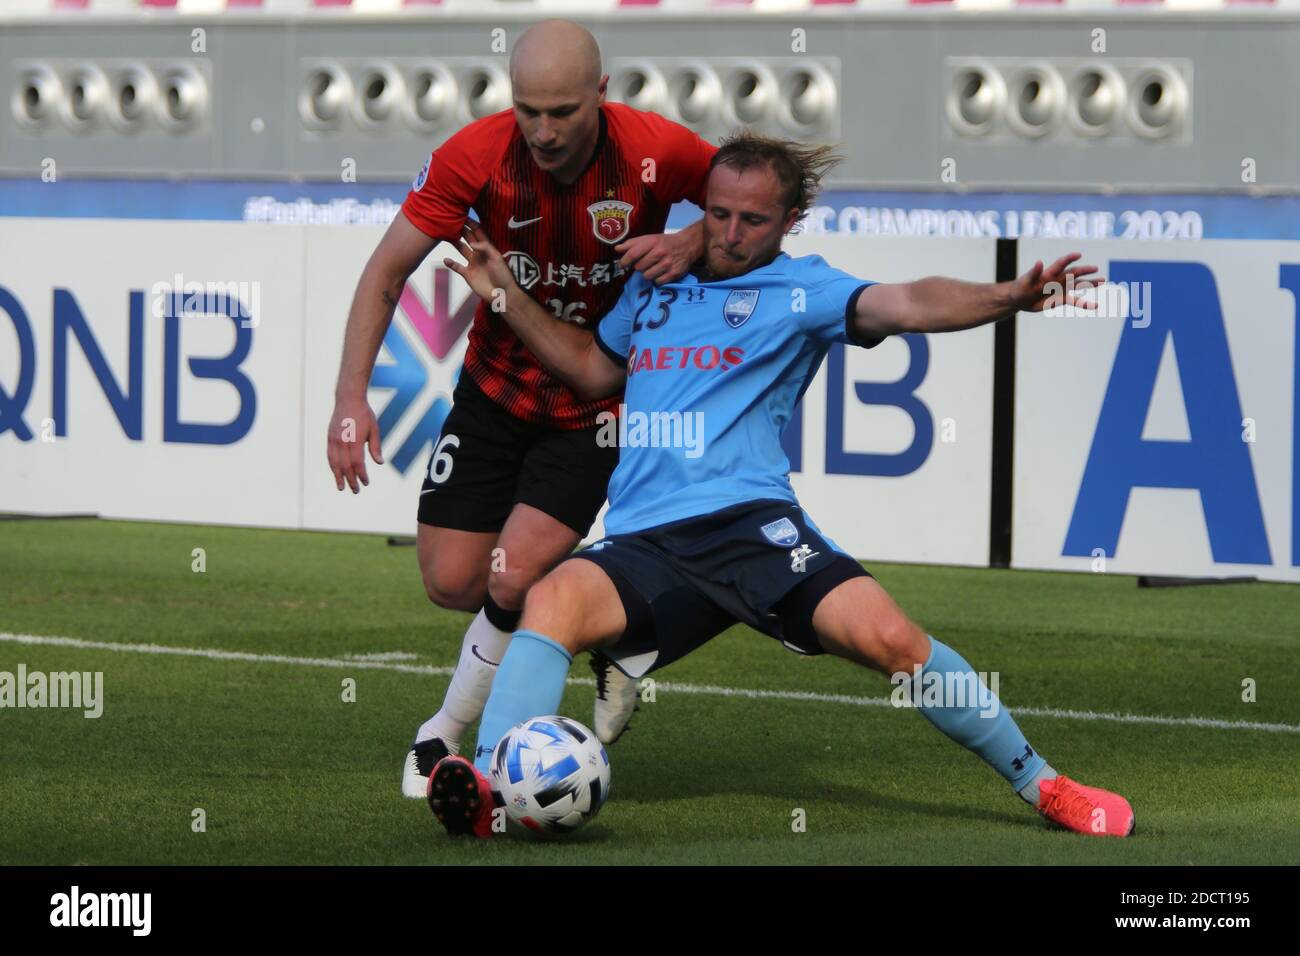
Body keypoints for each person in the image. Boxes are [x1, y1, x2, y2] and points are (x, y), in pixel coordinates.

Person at [427, 131, 1134, 840]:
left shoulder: (806, 290)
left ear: (790, 220)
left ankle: (1044, 785)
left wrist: (1006, 296)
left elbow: (911, 302)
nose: (730, 234)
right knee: (545, 595)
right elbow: (591, 372)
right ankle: (491, 784)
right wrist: (507, 296)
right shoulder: (654, 279)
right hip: (643, 541)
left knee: (893, 641)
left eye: (753, 220)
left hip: (752, 529)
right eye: (718, 213)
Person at [323, 19, 717, 799]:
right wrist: (348, 398)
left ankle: (442, 737)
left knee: (513, 575)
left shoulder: (657, 151)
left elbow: (768, 206)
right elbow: (385, 271)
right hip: (495, 394)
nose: (541, 130)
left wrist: (696, 237)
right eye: (527, 109)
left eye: (562, 112)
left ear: (601, 95)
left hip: (594, 404)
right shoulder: (475, 155)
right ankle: (622, 631)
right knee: (451, 578)